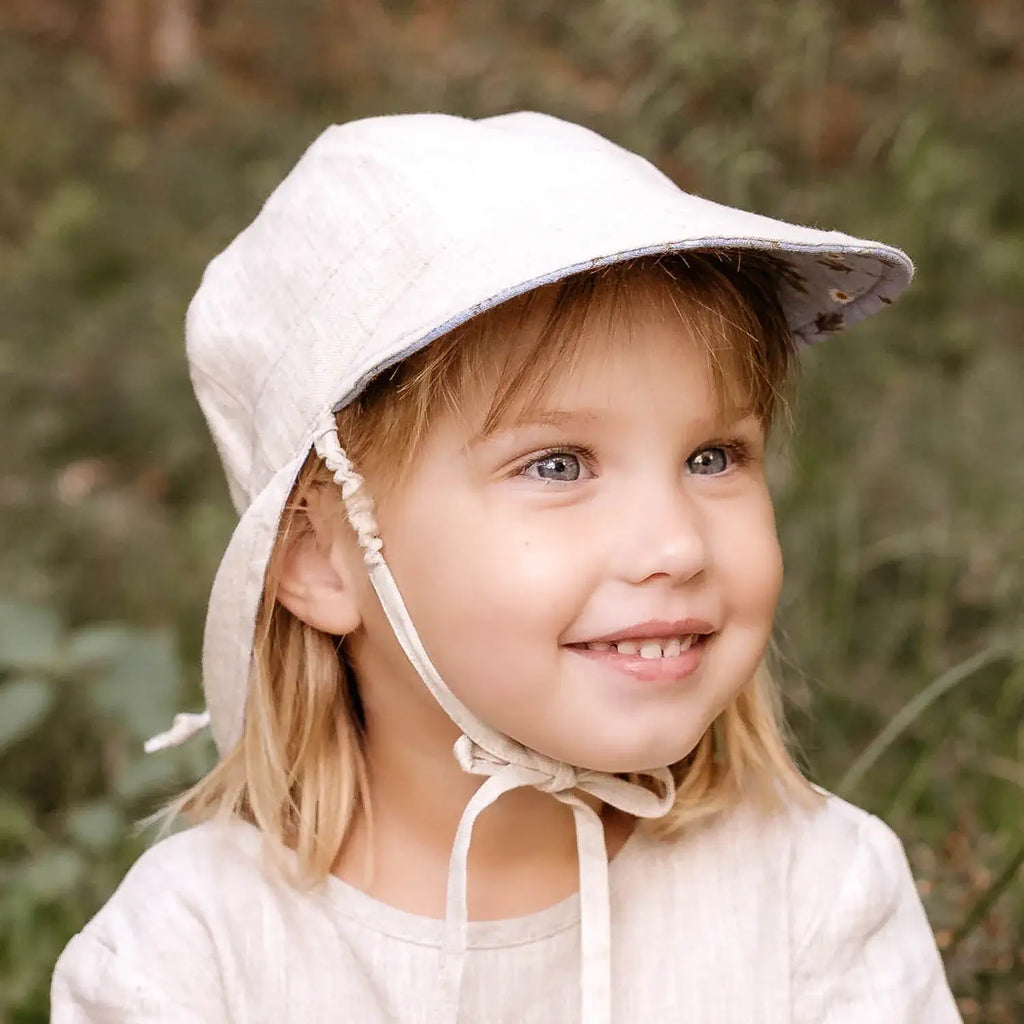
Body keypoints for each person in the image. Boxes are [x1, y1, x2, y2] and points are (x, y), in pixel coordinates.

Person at [50, 111, 962, 1023]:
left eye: (713, 458)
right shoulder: (186, 962)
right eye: (557, 465)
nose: (677, 546)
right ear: (322, 559)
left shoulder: (818, 896)